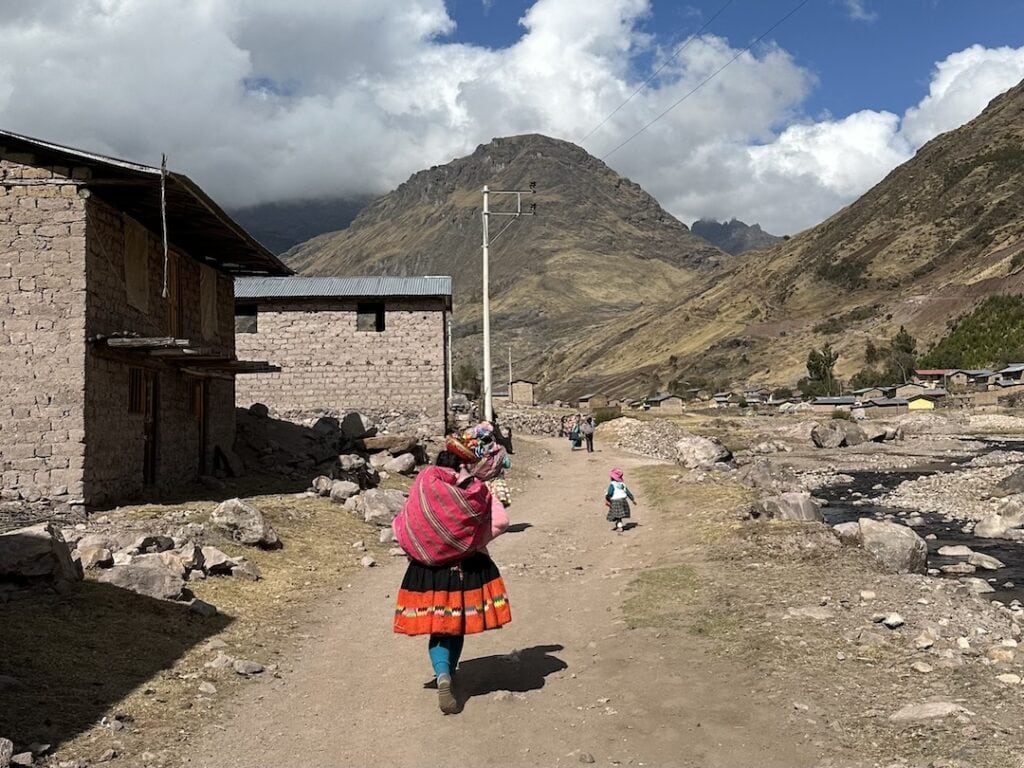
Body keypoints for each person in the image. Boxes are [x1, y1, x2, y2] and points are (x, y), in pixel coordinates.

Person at [392, 438, 512, 714]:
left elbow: (402, 521)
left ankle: (443, 674)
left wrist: (421, 542)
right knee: (455, 624)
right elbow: (502, 522)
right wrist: (471, 542)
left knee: (438, 626)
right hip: (464, 568)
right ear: (463, 466)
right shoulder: (475, 490)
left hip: (426, 569)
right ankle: (450, 672)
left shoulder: (423, 484)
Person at [605, 467, 636, 532]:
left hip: (616, 501)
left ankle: (619, 526)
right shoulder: (622, 484)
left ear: (612, 477)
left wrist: (607, 498)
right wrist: (632, 499)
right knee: (619, 514)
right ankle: (619, 523)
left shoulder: (612, 484)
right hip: (623, 500)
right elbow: (627, 492)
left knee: (616, 514)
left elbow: (610, 492)